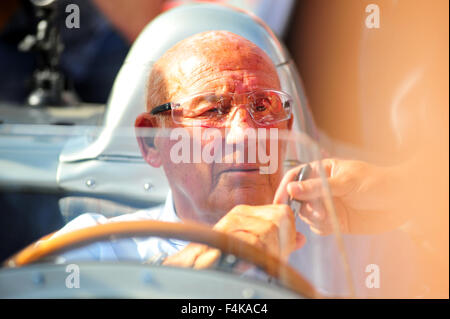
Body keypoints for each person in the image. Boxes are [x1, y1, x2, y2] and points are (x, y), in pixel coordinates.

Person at [48, 30, 305, 268]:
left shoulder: (334, 237)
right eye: (213, 110)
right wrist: (203, 263)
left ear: (287, 127)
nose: (246, 134)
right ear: (151, 139)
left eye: (262, 107)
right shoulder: (97, 248)